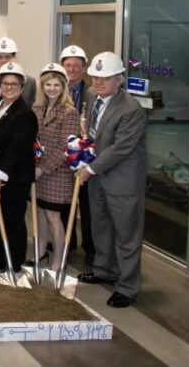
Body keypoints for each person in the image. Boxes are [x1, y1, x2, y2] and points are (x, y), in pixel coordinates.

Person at [77, 52, 148, 308]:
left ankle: (128, 287)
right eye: (95, 78)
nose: (98, 83)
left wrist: (90, 168)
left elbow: (120, 148)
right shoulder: (91, 96)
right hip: (98, 177)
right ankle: (104, 270)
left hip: (122, 180)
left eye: (105, 79)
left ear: (119, 79)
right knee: (101, 226)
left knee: (127, 234)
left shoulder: (131, 109)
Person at [0, 62, 38, 273]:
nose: (9, 88)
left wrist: (0, 175)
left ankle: (14, 262)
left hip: (12, 177)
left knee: (12, 219)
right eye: (5, 83)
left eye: (14, 84)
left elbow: (17, 148)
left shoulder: (25, 114)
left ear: (22, 88)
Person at [31, 63, 80, 272]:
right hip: (37, 171)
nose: (52, 88)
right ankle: (40, 253)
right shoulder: (37, 108)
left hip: (56, 174)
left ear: (63, 87)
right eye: (48, 85)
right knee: (40, 213)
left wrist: (43, 168)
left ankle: (58, 261)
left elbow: (65, 147)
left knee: (53, 217)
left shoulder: (69, 113)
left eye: (56, 85)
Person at [61, 44, 94, 262]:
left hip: (85, 159)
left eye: (76, 66)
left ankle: (91, 248)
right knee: (63, 201)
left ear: (84, 69)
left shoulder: (91, 93)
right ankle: (66, 242)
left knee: (88, 205)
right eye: (68, 65)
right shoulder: (55, 89)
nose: (72, 70)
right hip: (62, 157)